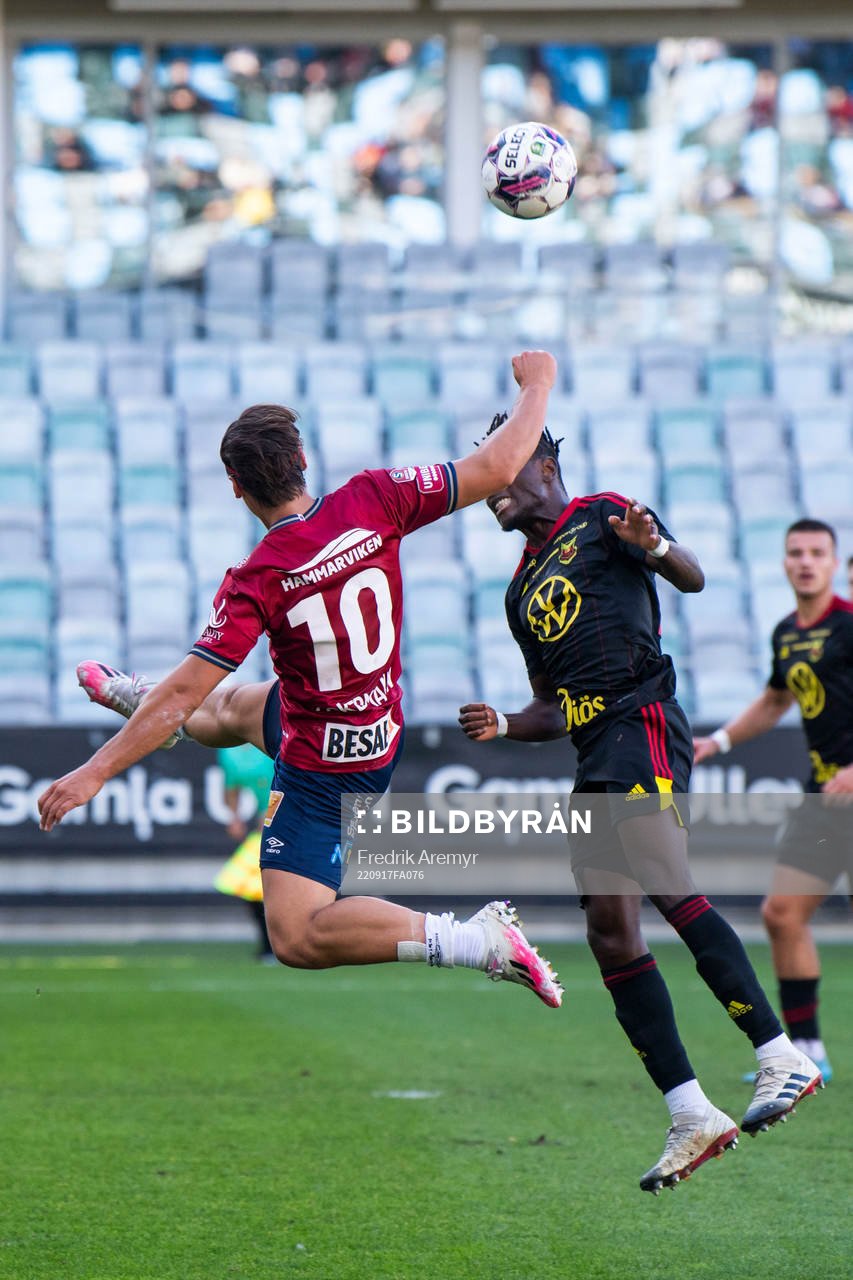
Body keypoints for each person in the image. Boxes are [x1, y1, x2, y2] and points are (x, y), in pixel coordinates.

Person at [39, 351, 562, 1009]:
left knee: (295, 934)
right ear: (302, 460)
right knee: (228, 709)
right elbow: (498, 466)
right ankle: (145, 705)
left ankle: (475, 940)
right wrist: (539, 381)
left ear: (235, 486)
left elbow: (184, 693)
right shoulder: (376, 496)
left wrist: (94, 772)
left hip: (324, 763)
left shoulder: (258, 577)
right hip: (370, 723)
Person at [457, 418, 822, 1194]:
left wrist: (652, 545)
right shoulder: (519, 592)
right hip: (595, 749)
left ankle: (777, 1053)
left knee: (663, 878)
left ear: (543, 465)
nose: (489, 488)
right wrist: (506, 724)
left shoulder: (603, 516)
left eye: (501, 468)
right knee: (608, 929)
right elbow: (551, 707)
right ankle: (690, 1111)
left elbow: (690, 576)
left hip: (642, 720)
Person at [694, 518, 853, 1086]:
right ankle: (806, 1052)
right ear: (784, 563)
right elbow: (774, 699)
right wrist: (718, 741)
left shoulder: (849, 625)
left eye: (816, 552)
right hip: (822, 799)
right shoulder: (787, 632)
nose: (806, 562)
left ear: (833, 562)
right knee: (782, 914)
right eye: (796, 552)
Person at [214, 742, 276, 961]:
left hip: (356, 802)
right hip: (271, 826)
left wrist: (271, 814)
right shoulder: (228, 751)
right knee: (252, 886)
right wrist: (235, 817)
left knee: (364, 882)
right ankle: (270, 945)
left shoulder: (272, 737)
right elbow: (231, 786)